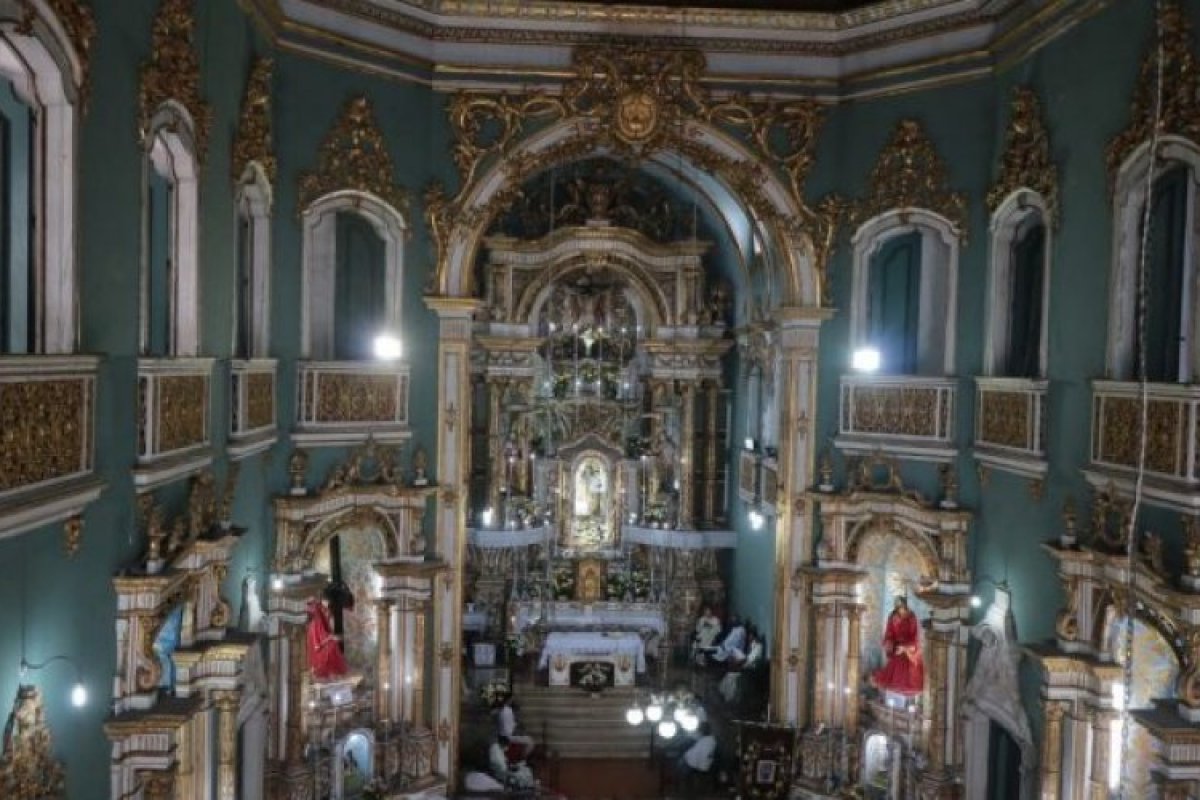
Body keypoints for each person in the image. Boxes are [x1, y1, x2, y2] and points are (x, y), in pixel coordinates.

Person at [873, 597, 924, 695]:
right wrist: (889, 642)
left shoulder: (911, 617)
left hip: (909, 649)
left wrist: (905, 648)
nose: (900, 610)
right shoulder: (892, 616)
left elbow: (915, 636)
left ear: (905, 606)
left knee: (908, 670)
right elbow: (889, 632)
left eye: (901, 607)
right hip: (897, 647)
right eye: (897, 608)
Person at [306, 595, 348, 680]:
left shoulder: (323, 620)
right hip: (319, 651)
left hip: (323, 642)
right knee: (332, 646)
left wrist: (332, 637)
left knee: (334, 645)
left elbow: (326, 633)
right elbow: (317, 645)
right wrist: (330, 638)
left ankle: (332, 674)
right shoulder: (315, 624)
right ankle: (327, 672)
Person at [719, 630, 764, 702]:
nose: (749, 638)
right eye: (749, 636)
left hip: (749, 669)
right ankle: (723, 693)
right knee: (729, 674)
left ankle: (728, 697)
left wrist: (739, 663)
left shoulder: (758, 647)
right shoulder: (752, 645)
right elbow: (746, 658)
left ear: (754, 637)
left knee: (731, 676)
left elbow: (749, 660)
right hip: (746, 665)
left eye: (750, 636)